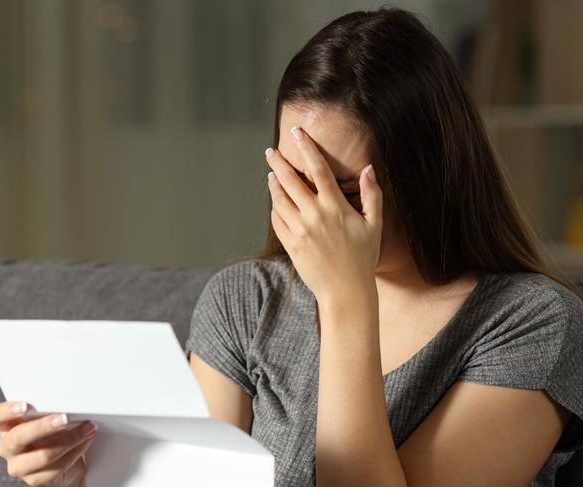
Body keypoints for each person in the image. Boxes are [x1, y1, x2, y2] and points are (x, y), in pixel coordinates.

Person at [185, 7, 583, 487]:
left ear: (428, 174)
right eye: (294, 179)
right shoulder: (242, 302)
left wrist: (346, 300)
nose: (316, 213)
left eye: (344, 191)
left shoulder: (533, 324)